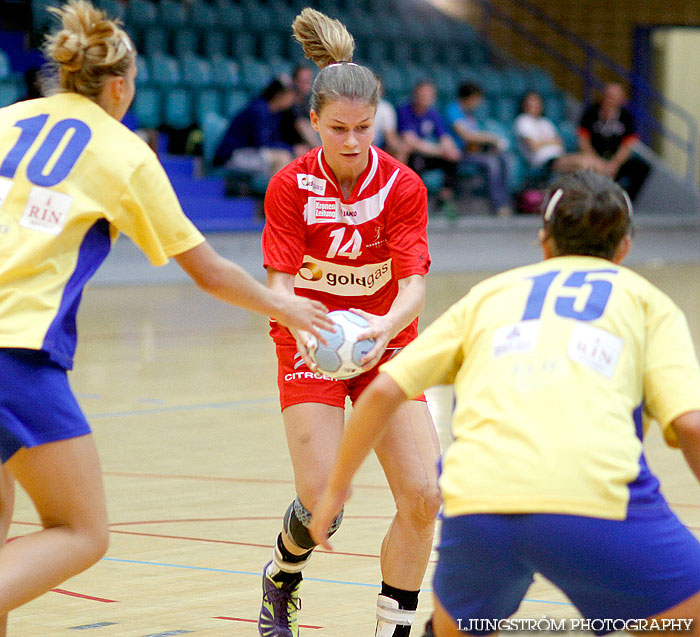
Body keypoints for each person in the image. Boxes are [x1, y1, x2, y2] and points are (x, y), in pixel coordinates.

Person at [0, 2, 332, 633]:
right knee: (80, 531)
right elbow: (207, 270)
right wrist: (284, 304)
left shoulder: (7, 121)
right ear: (121, 85)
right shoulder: (122, 154)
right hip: (15, 355)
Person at [309, 170, 700, 637]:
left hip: (479, 505)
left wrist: (334, 490)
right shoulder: (647, 303)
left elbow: (382, 392)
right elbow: (692, 428)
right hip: (595, 503)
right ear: (625, 249)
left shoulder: (489, 297)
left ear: (544, 241)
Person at [258, 8, 441, 637]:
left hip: (384, 339)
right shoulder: (288, 186)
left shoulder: (402, 185)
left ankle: (393, 628)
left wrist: (379, 331)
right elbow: (280, 285)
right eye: (338, 128)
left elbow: (414, 288)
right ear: (313, 122)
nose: (353, 141)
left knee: (423, 498)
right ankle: (283, 575)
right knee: (320, 507)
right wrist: (312, 325)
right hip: (309, 338)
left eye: (365, 128)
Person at [445, 82, 513, 217]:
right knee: (491, 163)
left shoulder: (469, 114)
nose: (478, 103)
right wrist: (491, 138)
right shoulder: (453, 110)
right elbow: (466, 136)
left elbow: (474, 141)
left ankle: (506, 202)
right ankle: (498, 205)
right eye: (477, 99)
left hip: (471, 152)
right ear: (471, 98)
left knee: (504, 158)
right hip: (457, 155)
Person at [213, 76, 298, 181]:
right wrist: (292, 149)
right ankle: (274, 196)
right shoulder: (259, 110)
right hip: (232, 156)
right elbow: (262, 143)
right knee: (282, 157)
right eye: (289, 95)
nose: (292, 99)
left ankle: (277, 195)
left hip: (251, 153)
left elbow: (274, 139)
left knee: (291, 159)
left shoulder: (276, 113)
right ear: (278, 95)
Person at [396, 80, 461, 215]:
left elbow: (444, 137)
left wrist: (450, 150)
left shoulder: (433, 114)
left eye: (429, 96)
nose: (425, 98)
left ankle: (444, 199)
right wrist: (440, 151)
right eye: (423, 95)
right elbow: (411, 141)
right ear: (415, 95)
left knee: (452, 159)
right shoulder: (404, 111)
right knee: (415, 161)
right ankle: (411, 202)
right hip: (411, 155)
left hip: (429, 153)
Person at [578, 82, 650, 201]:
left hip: (615, 161)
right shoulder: (591, 112)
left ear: (622, 99)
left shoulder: (626, 117)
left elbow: (628, 145)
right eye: (608, 96)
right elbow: (583, 141)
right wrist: (597, 162)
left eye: (614, 97)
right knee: (583, 167)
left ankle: (627, 202)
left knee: (641, 168)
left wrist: (615, 164)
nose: (609, 100)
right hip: (594, 158)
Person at [514, 90, 605, 180]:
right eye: (531, 103)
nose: (534, 105)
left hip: (559, 156)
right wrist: (550, 141)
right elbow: (534, 146)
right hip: (544, 162)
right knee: (584, 164)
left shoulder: (545, 122)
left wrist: (543, 141)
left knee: (596, 162)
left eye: (537, 102)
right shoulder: (522, 121)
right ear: (525, 105)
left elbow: (560, 143)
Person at [280, 64, 319, 153]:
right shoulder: (287, 100)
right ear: (294, 81)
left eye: (308, 81)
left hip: (301, 143)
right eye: (301, 81)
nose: (305, 85)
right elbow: (300, 124)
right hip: (285, 144)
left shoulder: (308, 100)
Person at [372, 77, 406, 163]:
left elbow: (390, 137)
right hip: (358, 144)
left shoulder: (386, 108)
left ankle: (397, 176)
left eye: (378, 89)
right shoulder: (355, 106)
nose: (375, 92)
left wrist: (401, 147)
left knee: (401, 149)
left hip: (377, 147)